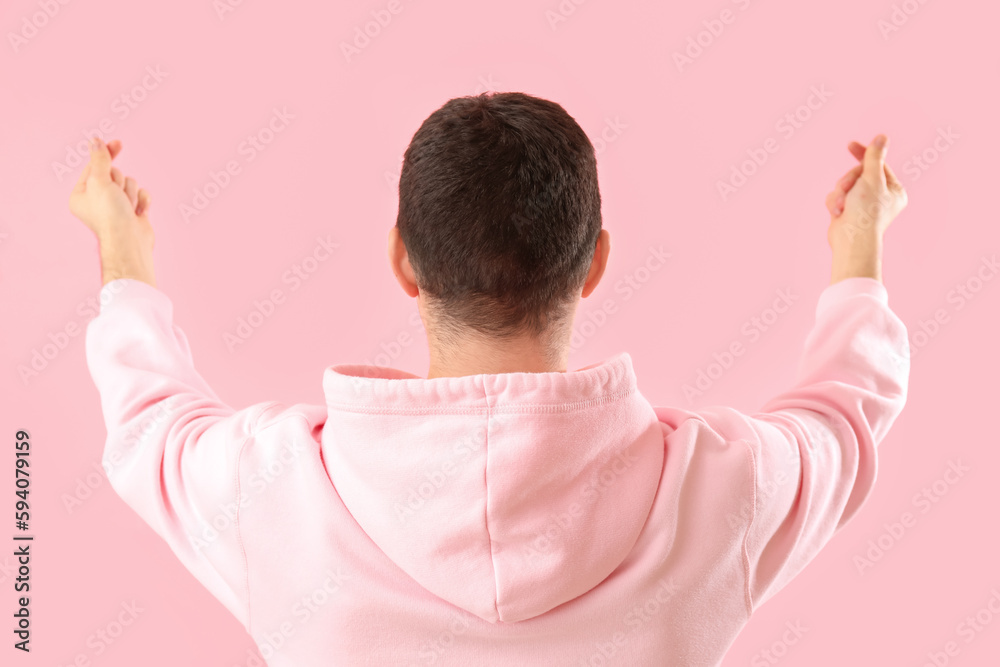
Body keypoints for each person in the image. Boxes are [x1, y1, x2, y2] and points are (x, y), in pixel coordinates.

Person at [71, 92, 909, 666]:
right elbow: (844, 416)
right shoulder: (726, 486)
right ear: (595, 266)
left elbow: (151, 420)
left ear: (403, 260)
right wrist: (858, 252)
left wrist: (125, 259)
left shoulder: (269, 490)